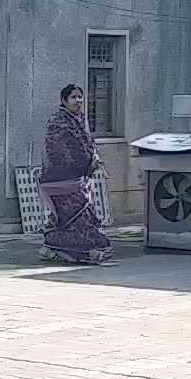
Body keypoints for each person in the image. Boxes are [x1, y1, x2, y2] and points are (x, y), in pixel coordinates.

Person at [40, 84, 114, 265]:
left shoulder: (79, 120)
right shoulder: (58, 122)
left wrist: (93, 160)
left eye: (80, 97)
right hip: (62, 180)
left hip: (78, 179)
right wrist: (82, 165)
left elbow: (87, 144)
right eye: (73, 97)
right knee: (76, 218)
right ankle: (69, 249)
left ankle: (60, 249)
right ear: (64, 101)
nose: (78, 101)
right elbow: (57, 152)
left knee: (76, 217)